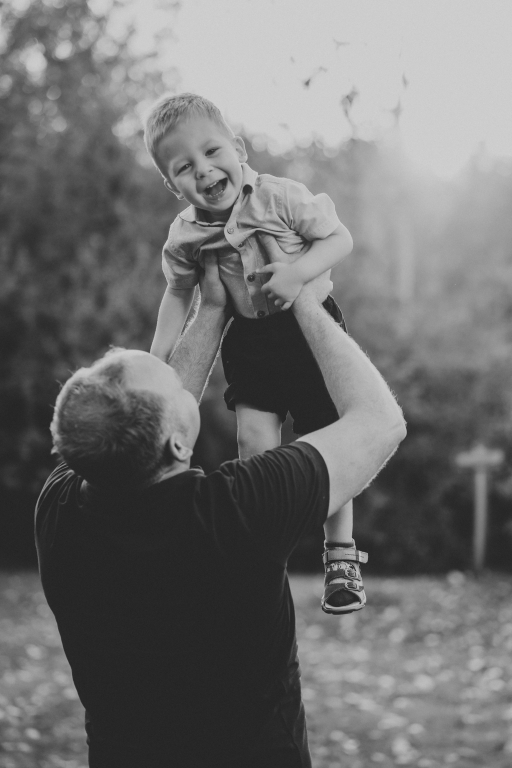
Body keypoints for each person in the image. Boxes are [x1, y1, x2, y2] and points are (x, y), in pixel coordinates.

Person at [36, 253, 406, 768]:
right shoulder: (238, 511)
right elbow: (381, 421)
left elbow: (143, 423)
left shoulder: (60, 511)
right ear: (178, 444)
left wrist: (211, 307)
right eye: (174, 386)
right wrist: (302, 294)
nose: (182, 383)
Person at [145, 92, 365, 613]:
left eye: (212, 152)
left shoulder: (280, 197)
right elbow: (177, 292)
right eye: (184, 167)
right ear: (172, 184)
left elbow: (339, 239)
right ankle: (265, 556)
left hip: (310, 331)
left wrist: (296, 273)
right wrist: (157, 358)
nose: (203, 170)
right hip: (248, 339)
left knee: (325, 437)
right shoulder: (185, 235)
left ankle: (341, 555)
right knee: (254, 444)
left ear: (238, 149)